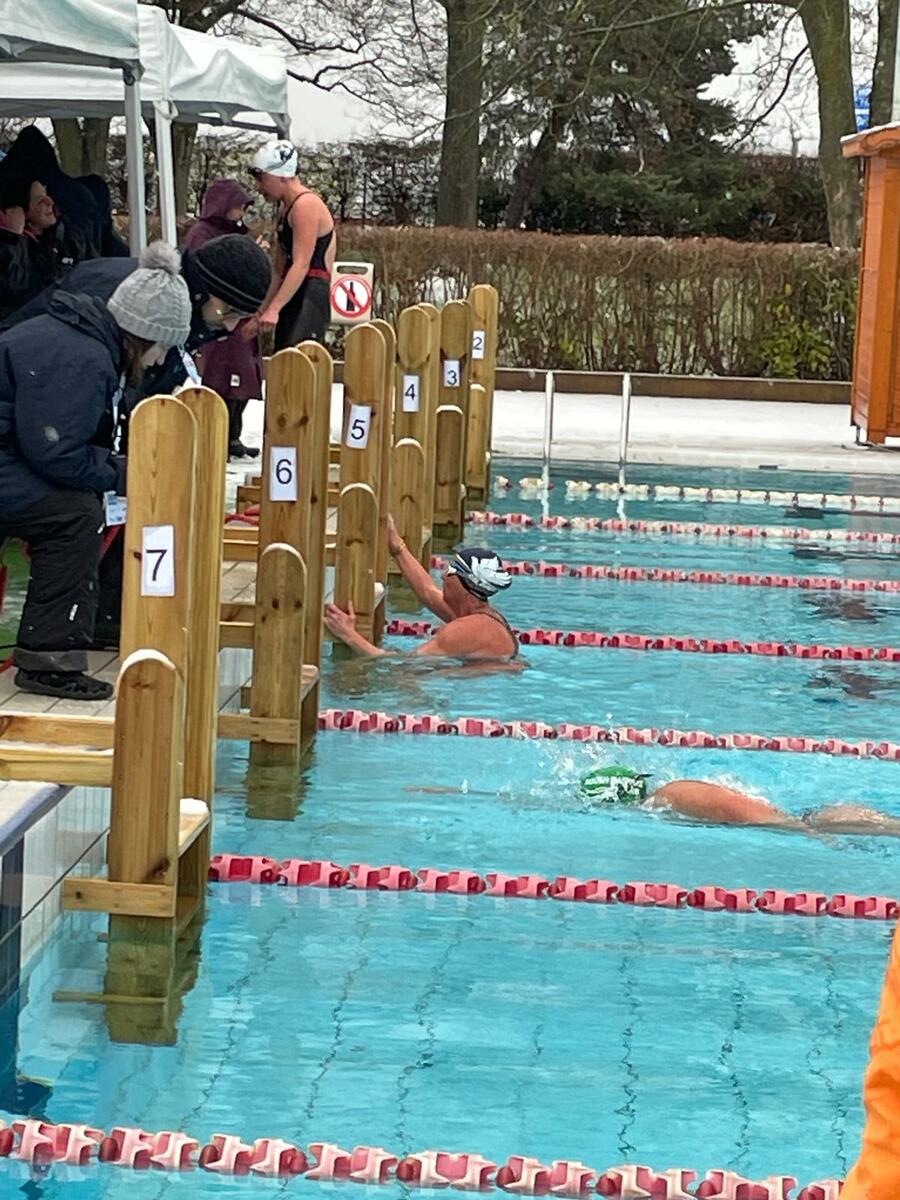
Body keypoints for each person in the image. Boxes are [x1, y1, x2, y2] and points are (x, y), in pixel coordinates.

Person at [0, 241, 192, 701]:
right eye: (162, 348)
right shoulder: (83, 358)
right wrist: (118, 472)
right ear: (143, 335)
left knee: (78, 505)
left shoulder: (79, 340)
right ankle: (50, 658)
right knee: (75, 516)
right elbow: (57, 451)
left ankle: (74, 635)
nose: (162, 362)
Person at [0, 232, 272, 399]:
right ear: (204, 289)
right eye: (230, 311)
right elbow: (74, 399)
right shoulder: (133, 299)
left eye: (243, 316)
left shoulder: (189, 316)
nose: (231, 324)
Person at [324, 518, 519, 662]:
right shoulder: (481, 618)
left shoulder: (463, 630)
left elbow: (402, 663)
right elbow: (428, 591)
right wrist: (397, 547)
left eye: (451, 571)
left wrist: (349, 635)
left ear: (466, 584)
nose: (443, 575)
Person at [579, 766, 900, 836]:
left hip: (801, 821)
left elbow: (734, 808)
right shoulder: (670, 792)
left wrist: (797, 830)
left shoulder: (667, 798)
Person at [184, 179, 262, 459]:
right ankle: (219, 434)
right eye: (238, 207)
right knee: (222, 376)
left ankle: (233, 434)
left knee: (242, 375)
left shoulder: (236, 234)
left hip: (238, 316)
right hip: (218, 317)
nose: (241, 213)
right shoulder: (202, 233)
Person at [248, 139, 334, 350]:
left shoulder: (305, 205)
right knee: (283, 361)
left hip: (310, 295)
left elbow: (301, 264)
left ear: (282, 176)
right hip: (294, 293)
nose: (258, 187)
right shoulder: (285, 209)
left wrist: (274, 309)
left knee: (297, 365)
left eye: (262, 179)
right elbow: (279, 270)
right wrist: (261, 313)